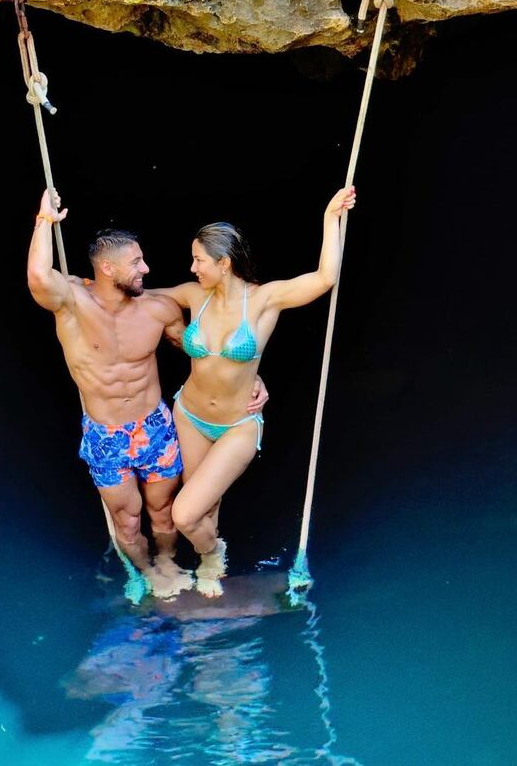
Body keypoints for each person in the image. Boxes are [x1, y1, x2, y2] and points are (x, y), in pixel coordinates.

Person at [26, 189, 268, 599]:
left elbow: (205, 353)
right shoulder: (71, 303)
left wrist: (251, 379)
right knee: (127, 521)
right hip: (105, 435)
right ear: (106, 269)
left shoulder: (158, 308)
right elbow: (38, 277)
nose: (146, 268)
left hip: (155, 426)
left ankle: (169, 563)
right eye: (136, 262)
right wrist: (44, 222)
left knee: (163, 513)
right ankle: (146, 572)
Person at [152, 186, 357, 597]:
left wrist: (329, 217)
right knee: (204, 508)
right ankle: (209, 555)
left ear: (224, 263)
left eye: (198, 259)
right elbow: (137, 298)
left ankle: (212, 555)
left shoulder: (263, 300)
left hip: (237, 424)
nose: (192, 267)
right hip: (189, 415)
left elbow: (325, 278)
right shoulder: (194, 296)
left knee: (185, 513)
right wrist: (78, 285)